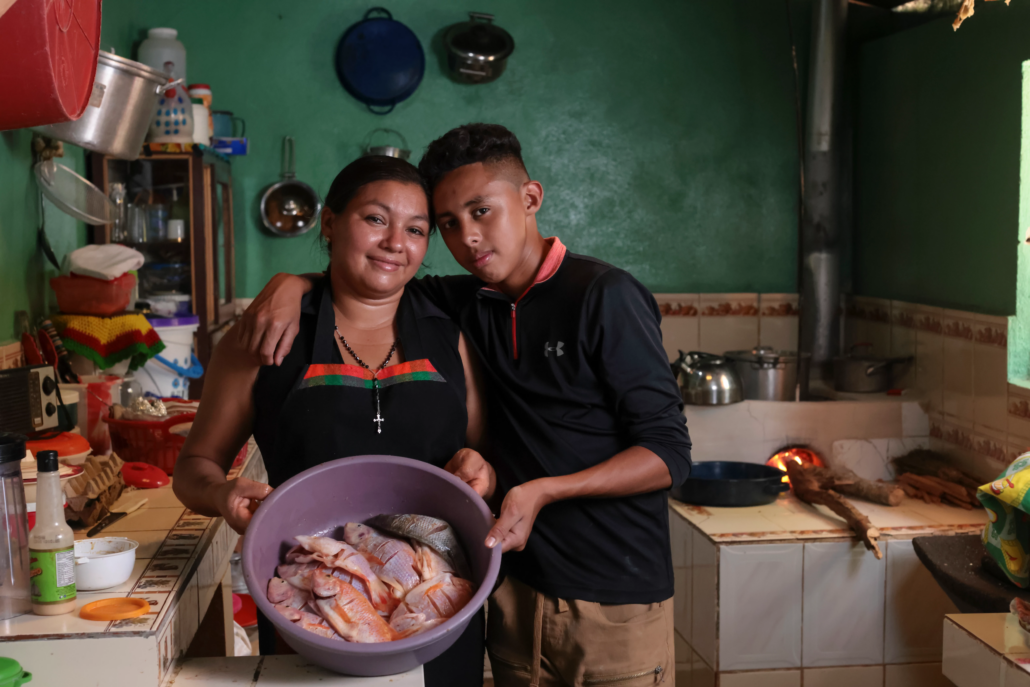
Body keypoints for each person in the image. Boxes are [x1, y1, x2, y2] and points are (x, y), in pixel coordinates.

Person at [239, 124, 692, 686]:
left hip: (608, 594)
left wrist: (548, 489)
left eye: (482, 212)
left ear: (530, 199)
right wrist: (291, 283)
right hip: (507, 588)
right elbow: (369, 273)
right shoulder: (464, 298)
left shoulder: (603, 296)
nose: (468, 238)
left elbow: (669, 454)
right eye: (448, 224)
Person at [172, 155, 487, 687]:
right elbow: (194, 467)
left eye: (415, 229)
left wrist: (482, 465)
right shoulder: (265, 337)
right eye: (375, 219)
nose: (395, 242)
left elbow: (483, 453)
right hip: (310, 601)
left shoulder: (449, 333)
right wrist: (221, 495)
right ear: (331, 222)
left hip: (434, 603)